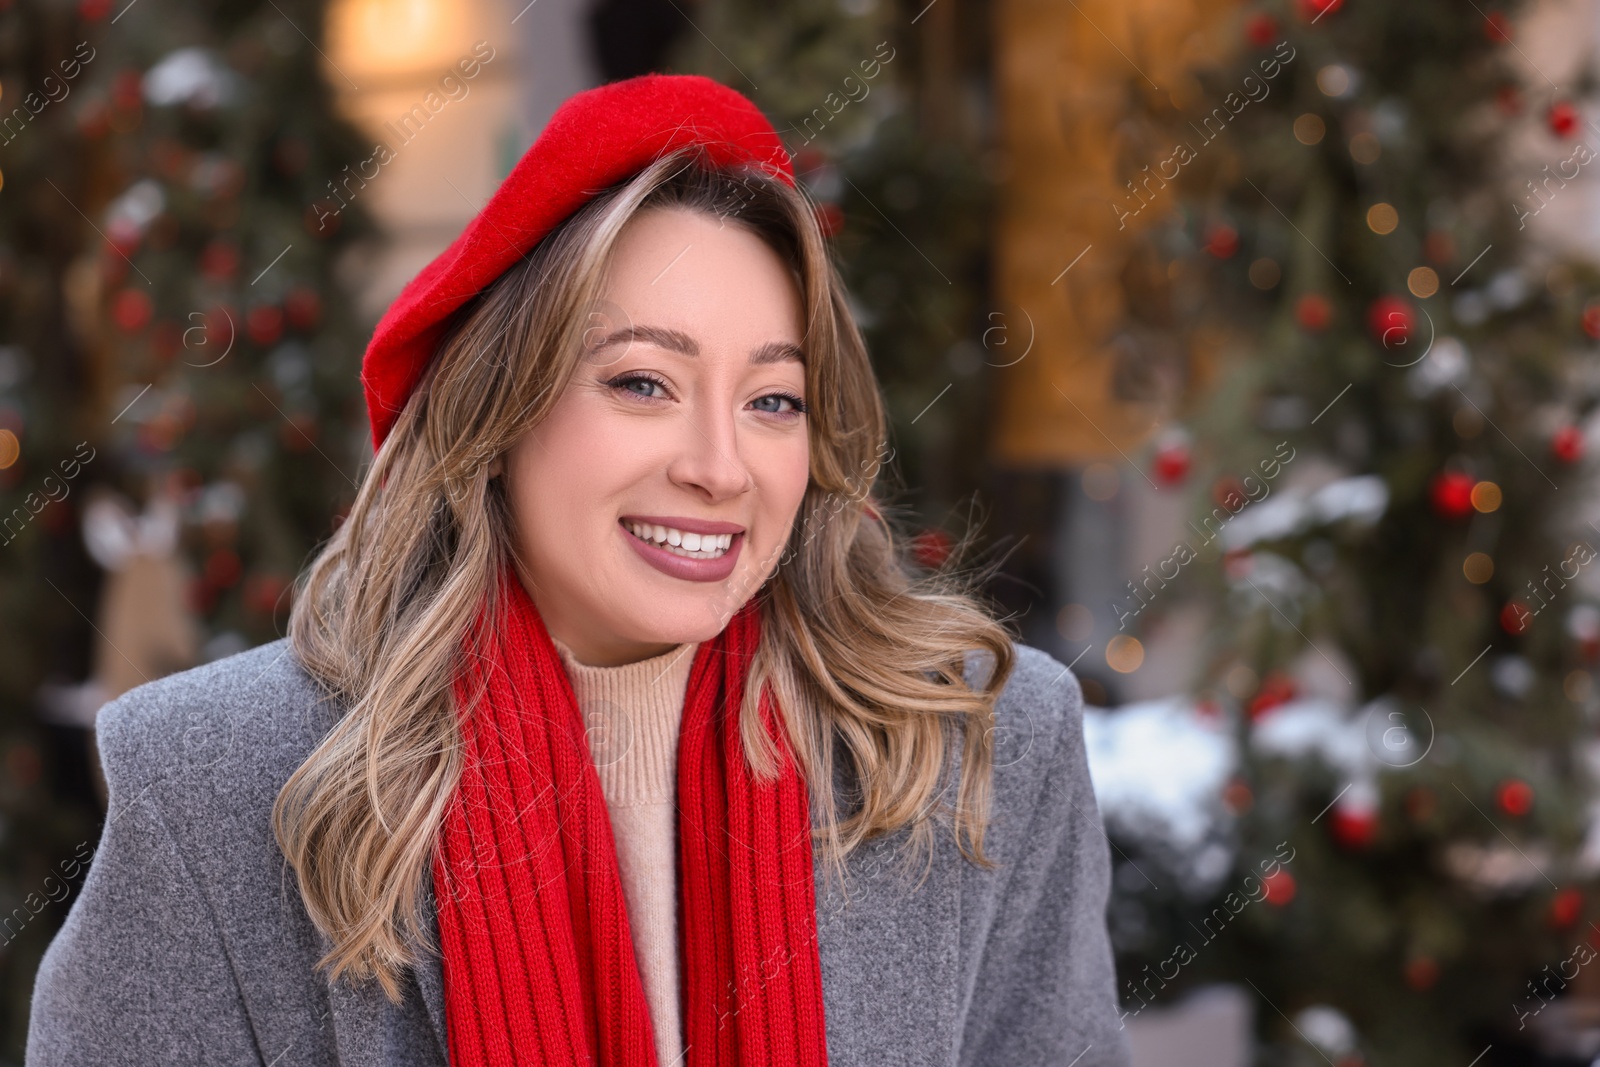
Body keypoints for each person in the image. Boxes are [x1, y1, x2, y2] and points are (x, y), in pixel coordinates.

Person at [26, 73, 1130, 1067]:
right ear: (497, 412)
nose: (717, 466)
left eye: (772, 400)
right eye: (642, 382)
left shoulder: (980, 746)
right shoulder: (218, 785)